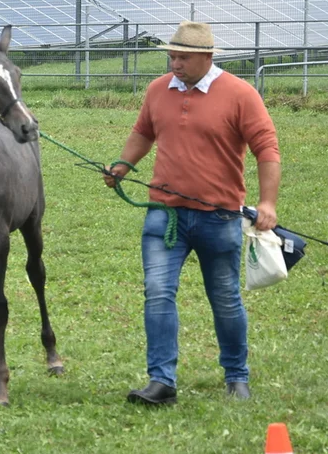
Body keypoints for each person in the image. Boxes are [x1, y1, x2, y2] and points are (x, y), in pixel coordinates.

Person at [104, 21, 281, 406]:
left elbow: (266, 149)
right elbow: (143, 132)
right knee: (157, 292)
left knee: (225, 298)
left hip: (219, 219)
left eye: (182, 57)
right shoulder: (157, 89)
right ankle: (161, 381)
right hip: (164, 216)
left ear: (207, 57)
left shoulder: (239, 94)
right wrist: (123, 165)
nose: (175, 63)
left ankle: (237, 377)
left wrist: (267, 204)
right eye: (171, 55)